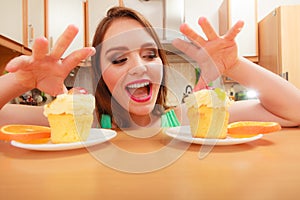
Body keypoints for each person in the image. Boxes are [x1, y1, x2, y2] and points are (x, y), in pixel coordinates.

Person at [0, 6, 299, 128]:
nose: (139, 67)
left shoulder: (184, 118)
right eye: (119, 59)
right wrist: (20, 81)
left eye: (150, 54)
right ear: (101, 74)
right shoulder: (82, 123)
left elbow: (293, 111)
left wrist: (234, 64)